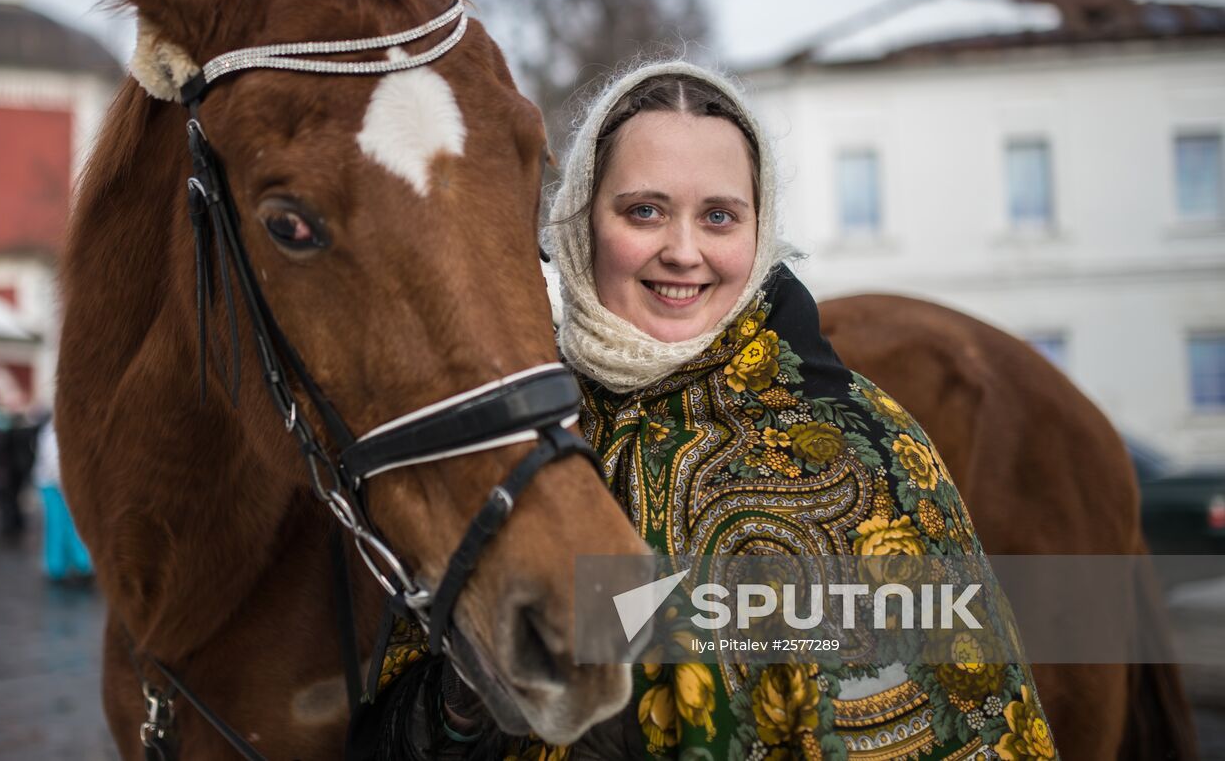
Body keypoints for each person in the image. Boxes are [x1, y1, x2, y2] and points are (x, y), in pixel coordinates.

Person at [359, 60, 1059, 760]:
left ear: (759, 233)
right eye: (645, 211)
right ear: (580, 222)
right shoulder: (509, 437)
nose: (683, 252)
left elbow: (965, 722)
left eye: (719, 216)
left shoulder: (868, 455)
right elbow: (390, 723)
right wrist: (463, 704)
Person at [34, 415, 93, 584]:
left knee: (67, 525)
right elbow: (53, 464)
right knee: (60, 525)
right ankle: (62, 567)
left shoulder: (60, 429)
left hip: (62, 484)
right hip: (56, 486)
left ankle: (71, 564)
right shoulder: (53, 432)